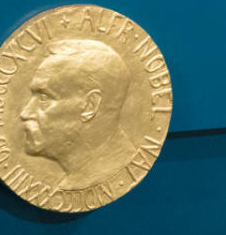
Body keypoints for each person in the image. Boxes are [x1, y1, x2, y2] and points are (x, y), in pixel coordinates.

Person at [19, 39, 137, 189]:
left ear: (90, 106)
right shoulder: (77, 180)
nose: (25, 113)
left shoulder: (108, 170)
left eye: (44, 98)